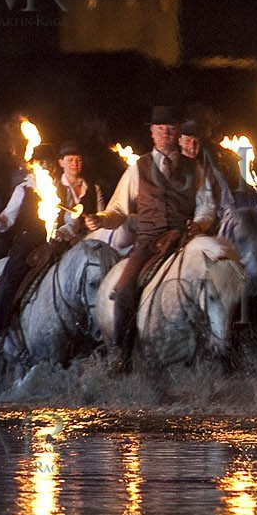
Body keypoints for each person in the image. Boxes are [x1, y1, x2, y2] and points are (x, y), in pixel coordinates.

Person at [85, 107, 216, 368]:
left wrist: (200, 225)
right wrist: (101, 219)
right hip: (149, 241)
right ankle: (121, 354)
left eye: (171, 129)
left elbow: (206, 206)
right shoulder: (138, 168)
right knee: (122, 291)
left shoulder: (196, 168)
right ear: (152, 133)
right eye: (161, 129)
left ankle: (224, 348)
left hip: (184, 238)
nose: (166, 133)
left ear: (178, 133)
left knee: (220, 282)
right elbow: (119, 209)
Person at [0, 147, 59, 345]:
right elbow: (6, 220)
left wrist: (66, 230)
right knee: (12, 276)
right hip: (30, 239)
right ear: (34, 165)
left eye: (49, 162)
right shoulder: (23, 189)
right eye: (42, 163)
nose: (46, 166)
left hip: (59, 239)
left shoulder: (60, 188)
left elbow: (71, 218)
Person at [55, 141, 104, 236]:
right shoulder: (53, 188)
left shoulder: (93, 188)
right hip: (62, 241)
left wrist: (97, 220)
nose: (75, 163)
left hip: (90, 238)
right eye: (70, 160)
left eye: (79, 160)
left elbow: (101, 214)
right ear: (61, 163)